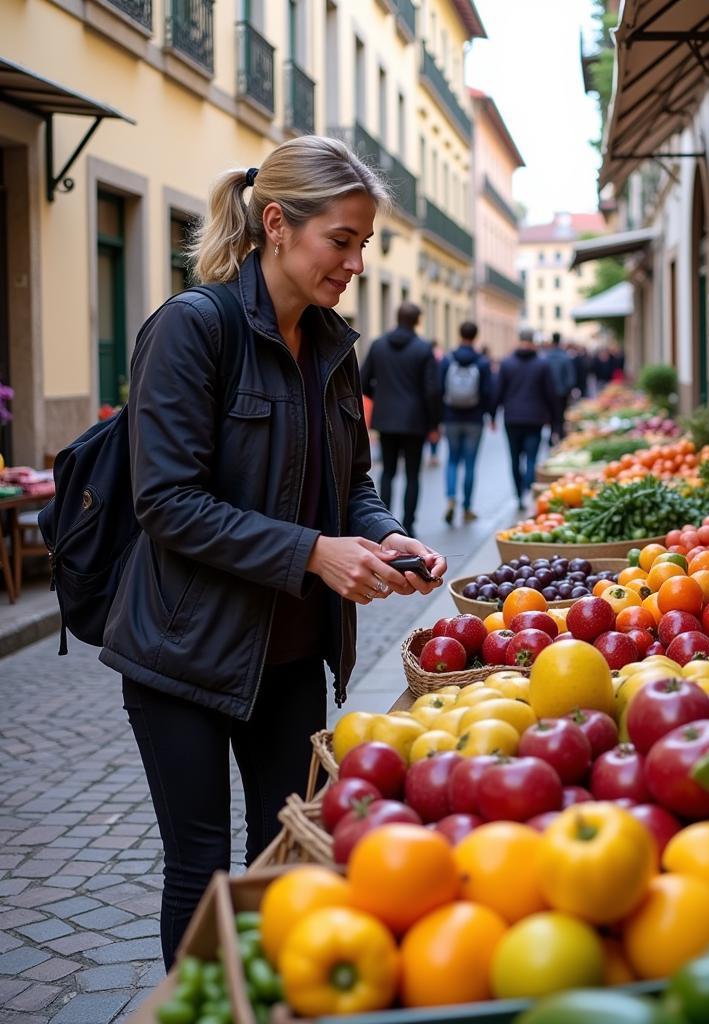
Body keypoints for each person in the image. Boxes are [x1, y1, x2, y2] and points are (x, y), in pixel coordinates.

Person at [99, 136, 446, 969]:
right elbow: (167, 502)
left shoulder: (330, 346)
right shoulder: (192, 328)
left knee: (285, 856)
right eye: (343, 240)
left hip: (291, 654)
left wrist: (382, 532)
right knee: (202, 864)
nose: (356, 262)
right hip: (182, 652)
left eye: (364, 244)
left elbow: (351, 484)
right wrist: (313, 554)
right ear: (279, 224)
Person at [360, 304, 442, 535]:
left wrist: (383, 397)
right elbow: (432, 390)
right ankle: (409, 524)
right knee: (413, 475)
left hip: (386, 419)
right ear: (417, 321)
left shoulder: (378, 345)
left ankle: (384, 525)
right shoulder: (424, 349)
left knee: (387, 472)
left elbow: (362, 380)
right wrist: (434, 423)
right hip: (415, 421)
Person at [494, 329, 561, 510]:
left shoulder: (507, 363)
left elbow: (498, 391)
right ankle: (527, 489)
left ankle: (518, 495)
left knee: (515, 458)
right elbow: (551, 394)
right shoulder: (542, 364)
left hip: (512, 418)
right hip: (535, 418)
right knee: (531, 457)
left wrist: (492, 414)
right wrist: (556, 421)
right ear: (532, 341)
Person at [439, 321, 492, 525]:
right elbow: (488, 392)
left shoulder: (448, 359)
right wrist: (491, 415)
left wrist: (439, 416)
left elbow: (439, 389)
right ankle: (467, 507)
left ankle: (451, 498)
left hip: (451, 417)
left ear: (459, 334)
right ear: (476, 335)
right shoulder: (482, 362)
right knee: (470, 463)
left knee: (452, 460)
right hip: (474, 419)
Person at [540, 331, 575, 445]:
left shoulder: (545, 357)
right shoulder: (565, 357)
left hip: (548, 392)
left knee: (550, 415)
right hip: (561, 392)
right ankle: (559, 435)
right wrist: (568, 390)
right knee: (560, 415)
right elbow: (570, 378)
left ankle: (551, 436)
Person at [426, 340, 444, 467]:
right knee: (434, 427)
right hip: (437, 400)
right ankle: (433, 454)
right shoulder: (441, 358)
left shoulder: (425, 357)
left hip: (424, 401)